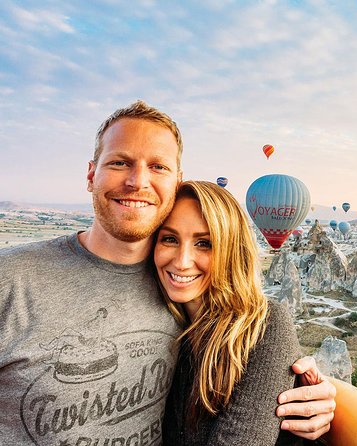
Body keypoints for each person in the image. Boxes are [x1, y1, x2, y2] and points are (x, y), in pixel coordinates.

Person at [0, 100, 335, 445]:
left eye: (157, 166)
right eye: (119, 162)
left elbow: (243, 339)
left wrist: (312, 391)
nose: (137, 181)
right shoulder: (10, 278)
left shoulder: (185, 295)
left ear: (176, 182)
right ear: (90, 174)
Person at [156, 180, 302, 445]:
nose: (182, 261)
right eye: (169, 239)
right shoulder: (162, 323)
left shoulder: (265, 325)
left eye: (204, 243)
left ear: (231, 250)